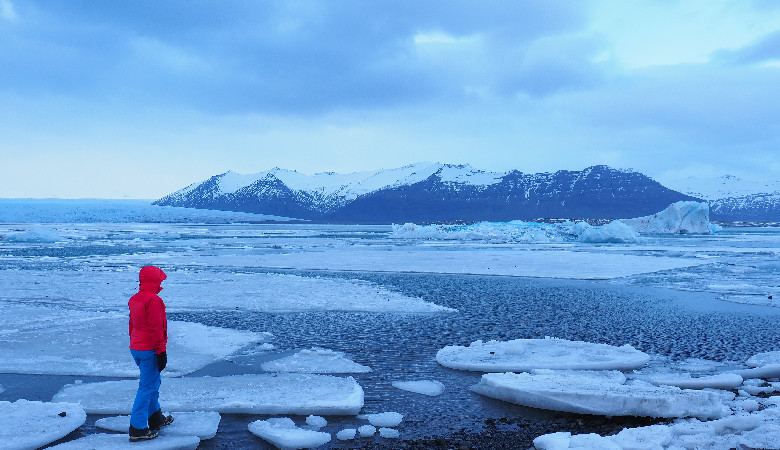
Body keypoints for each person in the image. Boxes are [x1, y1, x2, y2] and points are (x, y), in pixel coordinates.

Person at [128, 266, 174, 441]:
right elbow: (156, 328)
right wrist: (161, 351)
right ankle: (137, 428)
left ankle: (155, 418)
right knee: (147, 388)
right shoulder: (154, 300)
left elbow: (132, 325)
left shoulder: (135, 299)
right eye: (159, 279)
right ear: (154, 280)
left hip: (137, 348)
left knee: (153, 383)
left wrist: (135, 344)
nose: (161, 282)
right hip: (150, 349)